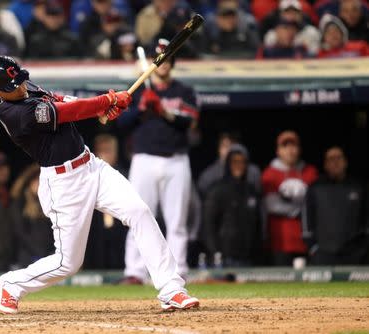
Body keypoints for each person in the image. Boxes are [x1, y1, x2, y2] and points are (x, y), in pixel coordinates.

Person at [0, 55, 199, 314]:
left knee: (139, 211)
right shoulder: (13, 113)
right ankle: (12, 283)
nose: (19, 87)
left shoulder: (25, 87)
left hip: (91, 166)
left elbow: (64, 101)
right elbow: (65, 112)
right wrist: (106, 101)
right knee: (68, 263)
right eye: (11, 86)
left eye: (18, 81)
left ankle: (171, 289)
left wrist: (102, 107)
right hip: (63, 183)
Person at [121, 39, 198, 284]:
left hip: (176, 160)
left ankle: (178, 270)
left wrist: (164, 111)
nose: (163, 65)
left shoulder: (184, 91)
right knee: (138, 215)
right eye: (160, 60)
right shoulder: (138, 89)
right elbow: (121, 123)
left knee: (176, 221)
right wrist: (141, 108)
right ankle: (135, 272)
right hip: (144, 159)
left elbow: (189, 119)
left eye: (167, 60)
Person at [262, 130, 318, 266]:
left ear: (299, 149)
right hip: (280, 243)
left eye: (293, 146)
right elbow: (271, 205)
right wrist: (301, 211)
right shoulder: (269, 174)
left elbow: (316, 205)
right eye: (285, 146)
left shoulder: (310, 172)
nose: (290, 150)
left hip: (306, 242)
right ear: (278, 151)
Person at [303, 147, 367, 265]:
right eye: (331, 159)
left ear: (345, 162)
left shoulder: (358, 188)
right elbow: (307, 221)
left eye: (339, 158)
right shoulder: (315, 188)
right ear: (325, 164)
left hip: (354, 253)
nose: (335, 162)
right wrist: (312, 247)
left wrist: (362, 247)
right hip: (323, 253)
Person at [203, 144, 261, 267]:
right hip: (224, 257)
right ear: (228, 164)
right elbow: (208, 225)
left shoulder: (251, 191)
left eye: (242, 162)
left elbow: (258, 225)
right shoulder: (217, 190)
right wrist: (215, 252)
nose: (239, 166)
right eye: (235, 162)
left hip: (247, 257)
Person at [84, 134, 128, 269]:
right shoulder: (87, 176)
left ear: (115, 152)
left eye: (107, 150)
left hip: (121, 231)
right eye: (100, 150)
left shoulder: (125, 176)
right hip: (96, 232)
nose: (103, 154)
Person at [11, 164, 54, 268]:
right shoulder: (20, 203)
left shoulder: (50, 203)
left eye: (41, 181)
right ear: (29, 183)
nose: (38, 184)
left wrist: (48, 253)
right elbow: (19, 232)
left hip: (48, 256)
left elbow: (53, 233)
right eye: (36, 181)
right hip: (26, 258)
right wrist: (38, 251)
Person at [197, 132, 261, 198]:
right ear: (219, 149)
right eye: (225, 146)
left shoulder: (253, 172)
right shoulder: (208, 175)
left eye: (233, 145)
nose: (229, 150)